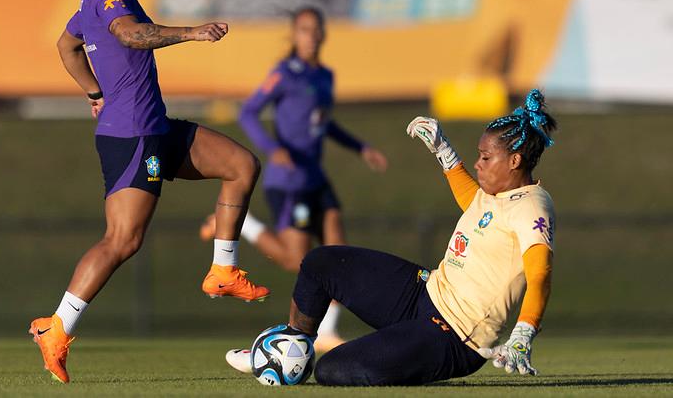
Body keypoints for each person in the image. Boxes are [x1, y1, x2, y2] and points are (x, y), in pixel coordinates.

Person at [29, 0, 270, 384]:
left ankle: (223, 268)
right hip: (134, 136)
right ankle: (55, 328)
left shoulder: (90, 1)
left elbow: (67, 45)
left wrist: (92, 91)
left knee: (241, 165)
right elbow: (130, 36)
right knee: (122, 240)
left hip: (154, 127)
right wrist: (192, 33)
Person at [226, 90, 557, 386]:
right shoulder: (495, 193)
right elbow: (473, 202)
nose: (478, 163)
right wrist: (444, 152)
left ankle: (392, 360)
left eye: (486, 157)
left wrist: (523, 332)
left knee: (333, 370)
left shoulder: (531, 205)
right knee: (321, 263)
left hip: (454, 336)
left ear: (515, 160)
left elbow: (540, 273)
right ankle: (288, 349)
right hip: (425, 293)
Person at [199, 7, 388, 352]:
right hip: (289, 182)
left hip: (316, 179)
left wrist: (360, 148)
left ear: (324, 34)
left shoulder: (325, 75)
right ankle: (243, 226)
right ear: (294, 34)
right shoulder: (285, 73)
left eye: (316, 29)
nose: (311, 36)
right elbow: (249, 111)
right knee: (295, 259)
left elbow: (323, 122)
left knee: (341, 256)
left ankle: (327, 332)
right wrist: (274, 148)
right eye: (304, 29)